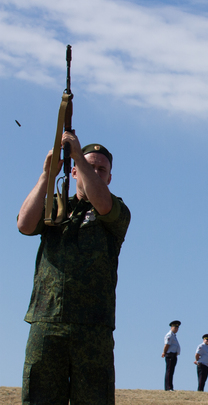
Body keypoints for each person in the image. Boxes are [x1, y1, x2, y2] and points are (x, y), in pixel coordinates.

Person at [17, 133, 131, 404]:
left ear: (110, 178)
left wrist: (79, 156)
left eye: (101, 169)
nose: (96, 172)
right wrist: (47, 175)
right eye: (88, 167)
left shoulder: (116, 211)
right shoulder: (55, 208)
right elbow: (24, 224)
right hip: (47, 322)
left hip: (93, 328)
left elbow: (102, 203)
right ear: (74, 172)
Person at [162, 320, 182, 391]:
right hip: (170, 355)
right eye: (175, 327)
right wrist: (164, 352)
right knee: (169, 371)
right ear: (171, 327)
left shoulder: (174, 335)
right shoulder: (169, 335)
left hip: (174, 355)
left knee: (171, 372)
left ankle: (170, 387)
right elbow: (167, 345)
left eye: (177, 328)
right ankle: (168, 387)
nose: (176, 329)